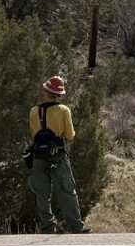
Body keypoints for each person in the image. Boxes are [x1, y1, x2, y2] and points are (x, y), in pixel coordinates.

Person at [28, 75, 90, 234]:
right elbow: (70, 135)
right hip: (58, 157)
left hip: (38, 156)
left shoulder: (34, 111)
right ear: (59, 94)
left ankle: (48, 227)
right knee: (67, 191)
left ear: (45, 91)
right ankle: (76, 227)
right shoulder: (64, 110)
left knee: (42, 194)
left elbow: (33, 133)